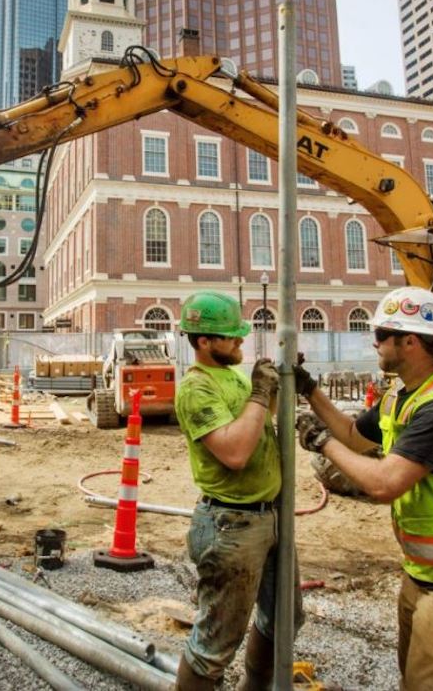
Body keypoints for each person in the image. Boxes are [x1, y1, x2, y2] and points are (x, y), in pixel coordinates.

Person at [293, 287, 433, 691]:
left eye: (381, 335)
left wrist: (318, 442)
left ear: (409, 342)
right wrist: (309, 390)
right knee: (414, 679)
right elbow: (353, 436)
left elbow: (385, 484)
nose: (374, 342)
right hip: (425, 571)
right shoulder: (401, 396)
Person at [173, 290, 302, 691]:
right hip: (231, 524)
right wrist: (261, 393)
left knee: (284, 616)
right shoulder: (196, 389)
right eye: (231, 337)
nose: (240, 342)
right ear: (204, 341)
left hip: (268, 516)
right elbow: (234, 452)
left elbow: (260, 420)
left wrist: (279, 388)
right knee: (217, 639)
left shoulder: (232, 376)